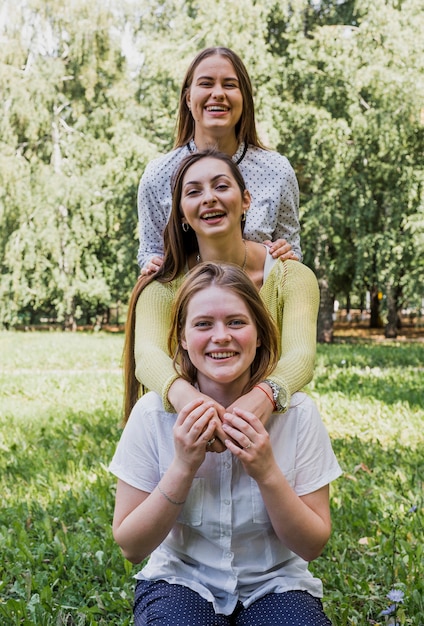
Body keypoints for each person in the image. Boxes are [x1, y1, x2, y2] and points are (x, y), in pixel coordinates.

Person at [110, 262, 342, 625]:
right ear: (183, 339)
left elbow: (312, 544)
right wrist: (183, 467)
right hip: (181, 580)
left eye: (236, 322)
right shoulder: (152, 414)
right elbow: (131, 546)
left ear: (261, 334)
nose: (221, 336)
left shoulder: (298, 414)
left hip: (275, 583)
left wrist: (266, 472)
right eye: (203, 324)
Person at [123, 150, 319, 450]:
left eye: (221, 186)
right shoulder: (161, 286)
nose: (209, 198)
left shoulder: (291, 277)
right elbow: (148, 356)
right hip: (186, 433)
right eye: (194, 192)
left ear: (246, 201)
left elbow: (301, 356)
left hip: (272, 430)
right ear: (180, 213)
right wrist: (195, 405)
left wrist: (262, 398)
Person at [137, 46, 302, 274]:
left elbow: (292, 256)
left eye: (229, 84)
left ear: (244, 98)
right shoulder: (158, 175)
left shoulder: (277, 171)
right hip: (187, 306)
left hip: (259, 305)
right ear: (188, 98)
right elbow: (149, 252)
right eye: (206, 84)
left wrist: (286, 253)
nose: (218, 93)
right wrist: (152, 265)